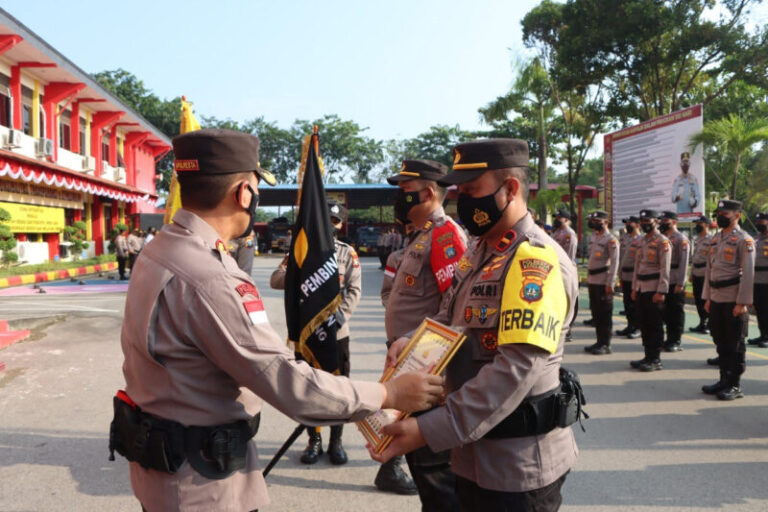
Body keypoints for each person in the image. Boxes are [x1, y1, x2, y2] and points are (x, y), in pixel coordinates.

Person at [115, 128, 443, 512]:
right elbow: (288, 384)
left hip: (165, 471)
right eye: (256, 188)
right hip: (201, 485)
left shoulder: (159, 249)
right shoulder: (209, 275)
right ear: (244, 193)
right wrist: (388, 394)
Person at [374, 139, 579, 512]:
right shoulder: (481, 250)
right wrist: (412, 341)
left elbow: (516, 367)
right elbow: (449, 317)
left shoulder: (534, 260)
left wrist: (428, 429)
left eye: (471, 191)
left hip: (516, 467)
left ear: (510, 189)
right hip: (470, 453)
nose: (461, 202)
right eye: (459, 192)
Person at [380, 159, 468, 508]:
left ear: (428, 193)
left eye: (405, 191)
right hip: (407, 362)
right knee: (421, 469)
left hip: (426, 369)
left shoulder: (445, 236)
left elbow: (454, 309)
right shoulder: (420, 236)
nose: (398, 199)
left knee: (435, 475)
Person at [270, 200, 362, 466]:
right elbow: (276, 280)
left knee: (340, 389)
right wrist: (298, 271)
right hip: (307, 334)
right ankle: (314, 440)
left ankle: (336, 441)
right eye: (327, 220)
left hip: (337, 334)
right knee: (309, 388)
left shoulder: (347, 253)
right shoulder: (300, 250)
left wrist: (339, 317)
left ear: (341, 225)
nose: (330, 225)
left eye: (335, 221)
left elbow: (355, 290)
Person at [701, 200, 755, 400]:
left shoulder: (744, 240)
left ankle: (734, 385)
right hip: (716, 297)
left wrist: (742, 302)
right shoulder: (716, 239)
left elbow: (748, 273)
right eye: (719, 213)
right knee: (720, 340)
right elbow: (710, 270)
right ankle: (724, 379)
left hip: (733, 298)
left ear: (737, 215)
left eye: (725, 213)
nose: (720, 216)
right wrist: (707, 297)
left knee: (735, 343)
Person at [630, 209, 671, 372]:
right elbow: (637, 265)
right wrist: (634, 287)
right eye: (642, 222)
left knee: (654, 325)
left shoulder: (662, 241)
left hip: (654, 288)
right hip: (641, 287)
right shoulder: (641, 240)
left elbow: (665, 268)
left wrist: (661, 291)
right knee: (644, 323)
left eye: (648, 221)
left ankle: (655, 359)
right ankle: (647, 356)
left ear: (656, 222)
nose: (644, 224)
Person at [584, 211, 619, 355]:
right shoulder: (594, 237)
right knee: (596, 313)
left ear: (606, 222)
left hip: (603, 280)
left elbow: (614, 263)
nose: (593, 223)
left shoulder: (611, 240)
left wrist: (610, 283)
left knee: (604, 314)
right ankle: (599, 341)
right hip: (593, 280)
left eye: (597, 221)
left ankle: (605, 344)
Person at [659, 211, 690, 352]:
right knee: (666, 311)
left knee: (676, 312)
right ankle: (669, 339)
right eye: (662, 221)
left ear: (674, 222)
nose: (663, 223)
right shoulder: (663, 238)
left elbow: (684, 263)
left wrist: (680, 283)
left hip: (675, 277)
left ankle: (676, 340)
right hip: (664, 279)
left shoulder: (681, 239)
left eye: (666, 221)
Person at [552, 208, 578, 342]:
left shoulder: (569, 234)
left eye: (559, 218)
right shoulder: (556, 233)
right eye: (556, 218)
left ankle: (568, 329)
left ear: (566, 219)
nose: (556, 220)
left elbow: (569, 256)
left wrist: (564, 270)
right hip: (555, 270)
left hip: (565, 271)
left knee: (568, 301)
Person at [616, 216, 642, 339]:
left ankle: (638, 328)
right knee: (627, 303)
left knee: (636, 303)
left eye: (630, 223)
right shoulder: (624, 239)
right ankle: (630, 325)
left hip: (634, 275)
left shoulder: (641, 240)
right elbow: (620, 257)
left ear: (637, 225)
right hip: (625, 274)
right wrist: (619, 274)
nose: (627, 225)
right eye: (626, 223)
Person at [747, 212, 768, 348]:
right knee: (760, 310)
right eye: (758, 222)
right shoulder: (756, 239)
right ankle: (763, 334)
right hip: (756, 280)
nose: (759, 224)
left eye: (762, 222)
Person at [690, 216, 713, 335]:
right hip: (696, 272)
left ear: (707, 225)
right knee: (698, 299)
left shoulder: (711, 239)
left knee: (705, 299)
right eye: (697, 223)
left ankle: (709, 324)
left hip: (705, 272)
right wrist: (691, 273)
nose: (697, 225)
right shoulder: (697, 239)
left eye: (700, 223)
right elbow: (695, 258)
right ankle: (702, 322)